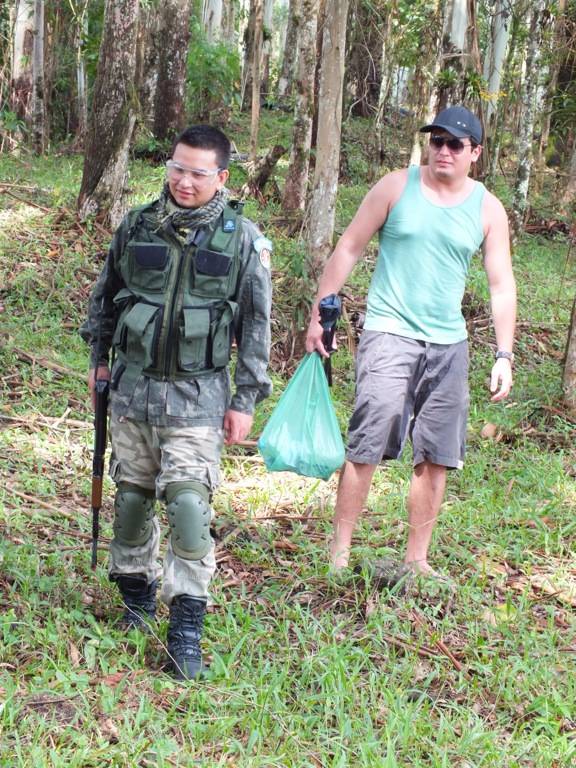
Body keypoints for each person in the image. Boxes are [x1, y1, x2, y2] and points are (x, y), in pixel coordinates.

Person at [80, 125, 272, 679]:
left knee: (189, 506)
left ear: (222, 177)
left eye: (198, 173)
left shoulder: (242, 239)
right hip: (133, 390)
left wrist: (246, 399)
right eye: (177, 168)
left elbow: (257, 326)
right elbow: (105, 301)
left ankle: (185, 622)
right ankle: (135, 598)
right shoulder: (137, 224)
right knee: (133, 501)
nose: (185, 182)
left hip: (198, 397)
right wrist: (98, 359)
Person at [305, 105, 516, 583]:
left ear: (474, 153)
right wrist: (321, 312)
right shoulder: (395, 187)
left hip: (449, 345)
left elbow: (501, 285)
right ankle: (340, 553)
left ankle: (416, 560)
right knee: (367, 441)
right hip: (388, 333)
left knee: (437, 454)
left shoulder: (487, 209)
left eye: (454, 144)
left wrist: (504, 354)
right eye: (436, 141)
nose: (443, 150)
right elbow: (349, 247)